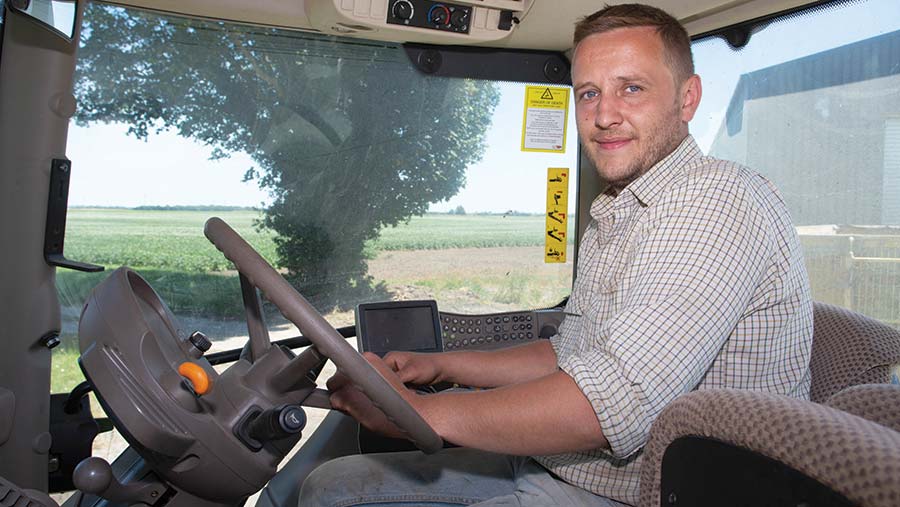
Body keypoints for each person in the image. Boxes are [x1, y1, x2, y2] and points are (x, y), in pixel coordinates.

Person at [298, 4, 813, 506]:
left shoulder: (716, 201)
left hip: (648, 491)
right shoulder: (620, 208)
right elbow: (568, 354)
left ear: (687, 98)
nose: (605, 115)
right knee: (328, 485)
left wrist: (422, 414)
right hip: (564, 464)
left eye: (631, 88)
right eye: (589, 93)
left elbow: (610, 403)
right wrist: (439, 365)